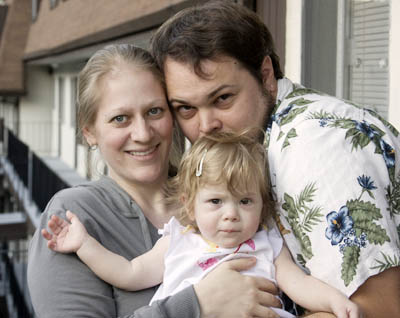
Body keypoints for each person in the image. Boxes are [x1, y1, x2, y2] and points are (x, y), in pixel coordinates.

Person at [150, 1, 400, 317]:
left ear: (266, 75)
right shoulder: (256, 147)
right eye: (186, 108)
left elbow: (379, 310)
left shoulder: (313, 150)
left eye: (223, 98)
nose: (205, 125)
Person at [27, 44, 282, 318]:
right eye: (120, 118)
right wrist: (197, 304)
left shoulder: (230, 192)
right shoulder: (73, 218)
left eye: (154, 112)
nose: (143, 133)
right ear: (89, 131)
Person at [42, 131, 362, 318]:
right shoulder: (178, 240)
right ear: (189, 207)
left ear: (262, 205)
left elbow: (300, 285)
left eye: (245, 201)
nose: (231, 214)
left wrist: (337, 302)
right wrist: (84, 245)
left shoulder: (268, 242)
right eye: (215, 201)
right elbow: (129, 273)